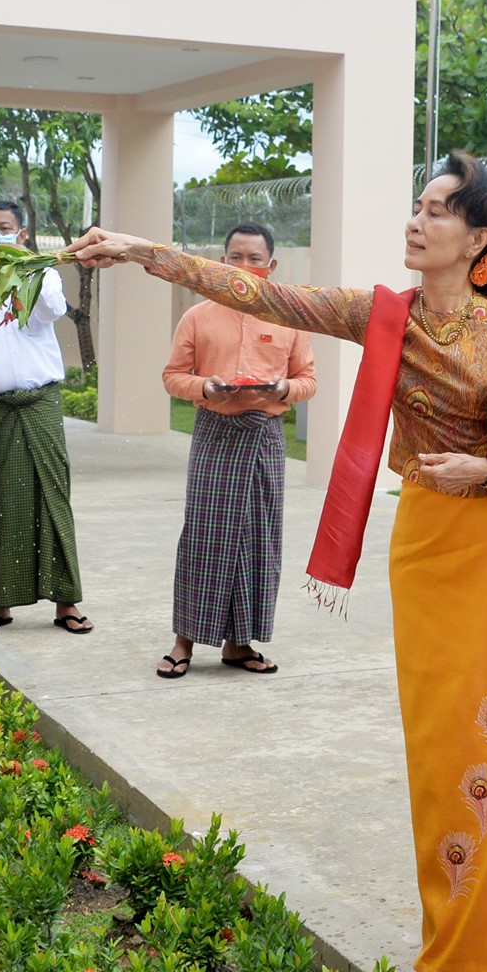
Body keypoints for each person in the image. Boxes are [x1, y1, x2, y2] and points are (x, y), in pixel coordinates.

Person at [67, 153, 487, 972]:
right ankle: (452, 936)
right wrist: (137, 249)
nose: (416, 222)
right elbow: (256, 294)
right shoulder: (382, 314)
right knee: (441, 748)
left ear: (479, 237)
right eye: (414, 206)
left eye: (436, 211)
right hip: (426, 541)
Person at [157, 222, 316, 680]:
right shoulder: (198, 316)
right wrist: (204, 385)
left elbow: (308, 379)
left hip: (265, 435)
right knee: (203, 539)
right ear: (220, 263)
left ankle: (239, 643)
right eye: (235, 257)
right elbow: (172, 376)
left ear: (271, 266)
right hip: (215, 432)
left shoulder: (289, 318)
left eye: (254, 259)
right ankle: (182, 642)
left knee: (257, 541)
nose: (244, 266)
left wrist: (285, 386)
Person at [0, 201, 91, 636]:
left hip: (39, 402)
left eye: (4, 229)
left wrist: (24, 265)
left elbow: (49, 310)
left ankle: (66, 601)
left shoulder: (41, 271)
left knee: (52, 495)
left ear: (22, 233)